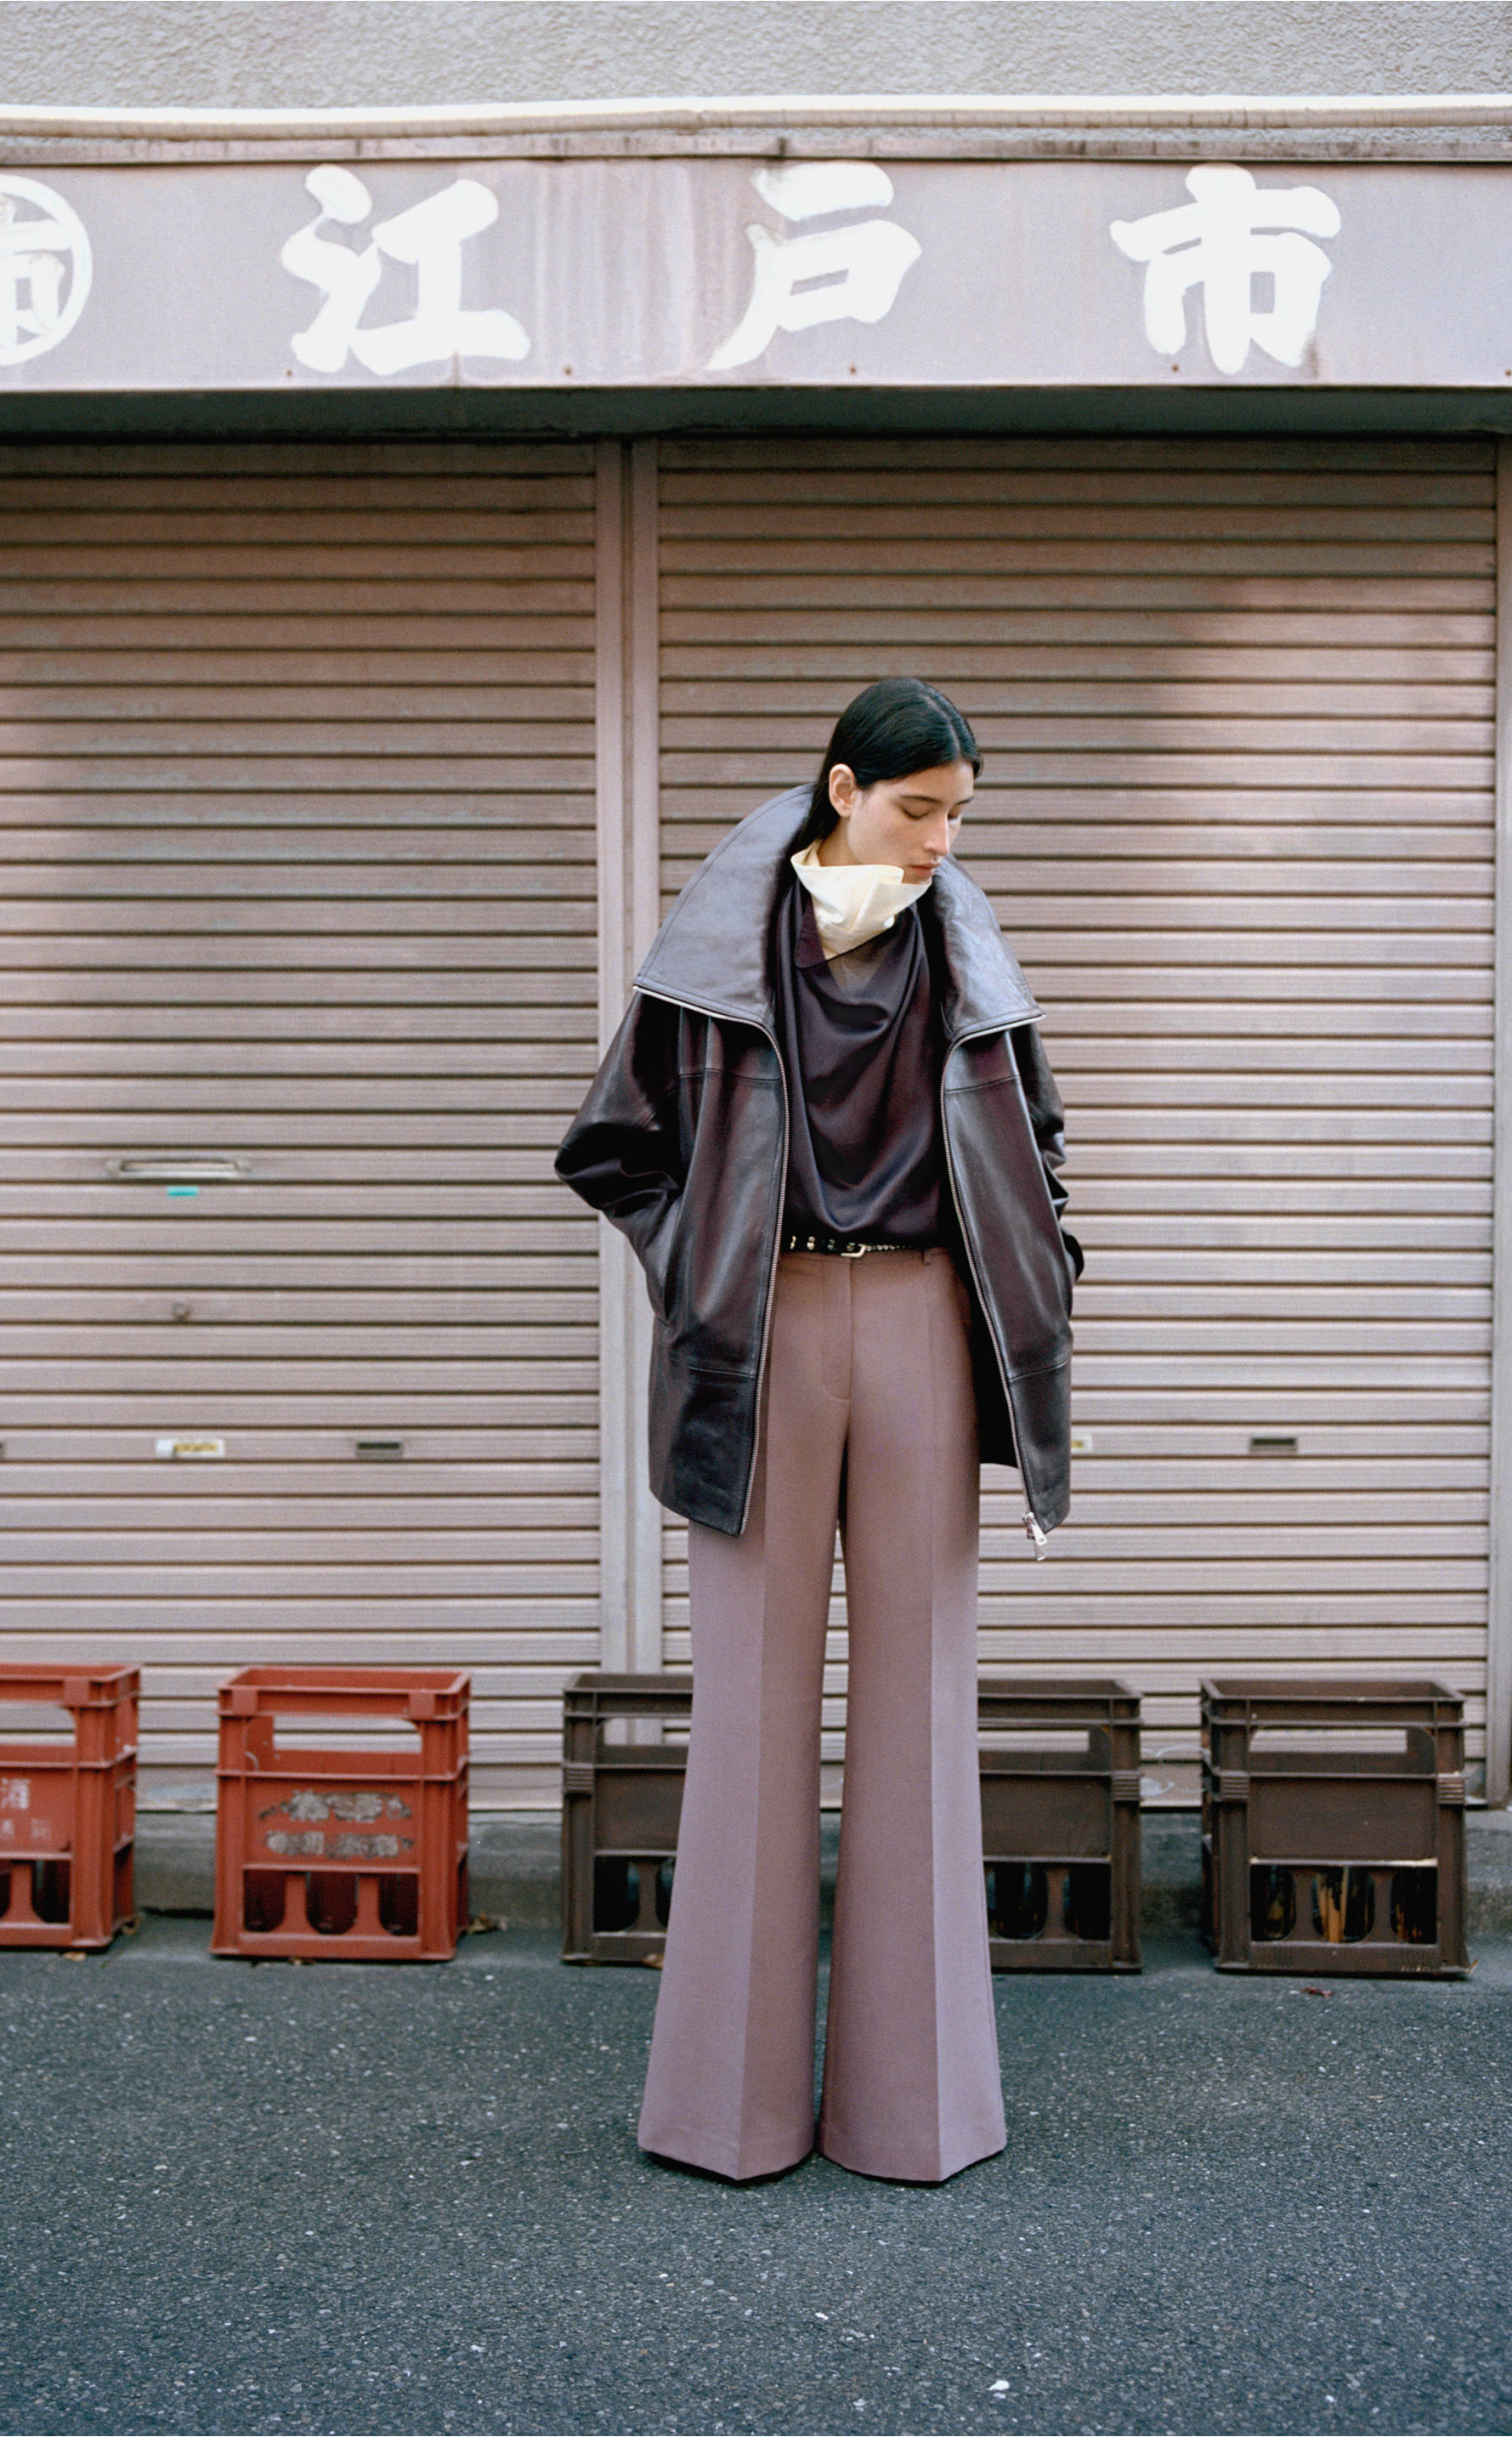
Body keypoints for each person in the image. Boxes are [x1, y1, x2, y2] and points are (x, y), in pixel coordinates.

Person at [555, 677, 1081, 2184]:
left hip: (927, 1321)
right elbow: (616, 1146)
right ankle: (729, 2116)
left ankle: (919, 2119)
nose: (938, 844)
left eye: (958, 818)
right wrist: (705, 1267)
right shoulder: (723, 952)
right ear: (844, 787)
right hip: (764, 1334)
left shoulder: (964, 945)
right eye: (919, 811)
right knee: (751, 1719)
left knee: (923, 1707)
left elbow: (1036, 1137)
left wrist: (1049, 1258)